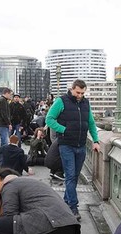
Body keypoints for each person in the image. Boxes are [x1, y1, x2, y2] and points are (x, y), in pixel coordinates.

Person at [46, 79, 100, 219]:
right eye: (78, 92)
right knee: (70, 176)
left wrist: (95, 141)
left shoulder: (85, 103)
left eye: (82, 93)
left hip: (81, 145)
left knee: (74, 177)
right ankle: (73, 207)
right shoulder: (61, 101)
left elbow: (91, 123)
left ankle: (65, 202)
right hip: (66, 145)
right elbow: (49, 119)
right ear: (72, 89)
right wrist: (64, 130)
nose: (80, 95)